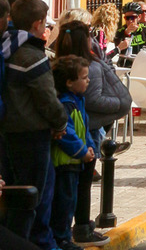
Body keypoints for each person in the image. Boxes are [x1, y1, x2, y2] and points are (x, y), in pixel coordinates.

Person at [1, 0, 69, 249]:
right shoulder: (32, 55)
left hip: (7, 132)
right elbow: (47, 100)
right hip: (32, 135)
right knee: (33, 197)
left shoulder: (5, 48)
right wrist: (60, 123)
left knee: (13, 195)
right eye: (45, 23)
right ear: (37, 24)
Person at [53, 21, 125, 246]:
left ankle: (71, 233)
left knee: (71, 194)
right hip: (73, 154)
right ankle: (71, 234)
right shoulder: (75, 88)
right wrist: (84, 150)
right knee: (70, 196)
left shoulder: (64, 70)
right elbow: (69, 131)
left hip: (80, 148)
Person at [50, 57, 95, 250]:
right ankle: (62, 239)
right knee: (64, 204)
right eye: (84, 77)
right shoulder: (66, 103)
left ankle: (64, 237)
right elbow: (67, 133)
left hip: (75, 163)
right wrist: (82, 151)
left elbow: (83, 128)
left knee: (71, 200)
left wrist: (90, 147)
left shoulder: (78, 101)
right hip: (65, 163)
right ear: (69, 82)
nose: (88, 81)